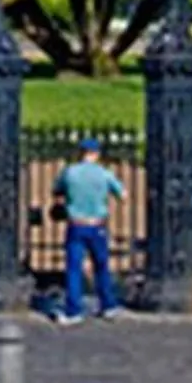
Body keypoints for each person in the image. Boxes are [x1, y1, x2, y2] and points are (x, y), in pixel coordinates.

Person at [51, 138, 125, 324]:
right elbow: (122, 195)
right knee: (102, 266)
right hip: (97, 224)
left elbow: (56, 190)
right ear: (97, 154)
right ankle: (108, 305)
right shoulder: (104, 174)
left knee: (74, 268)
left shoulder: (70, 173)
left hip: (76, 223)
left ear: (80, 152)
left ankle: (74, 310)